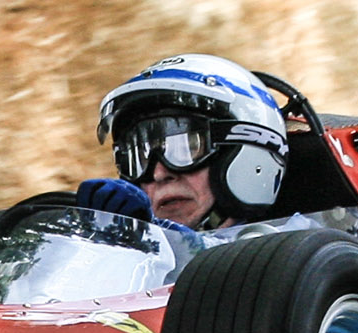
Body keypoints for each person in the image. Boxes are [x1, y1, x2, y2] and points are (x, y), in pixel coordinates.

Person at [71, 55, 306, 232]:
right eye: (139, 157)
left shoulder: (302, 248)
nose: (159, 173)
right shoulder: (137, 259)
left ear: (248, 154)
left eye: (186, 147)